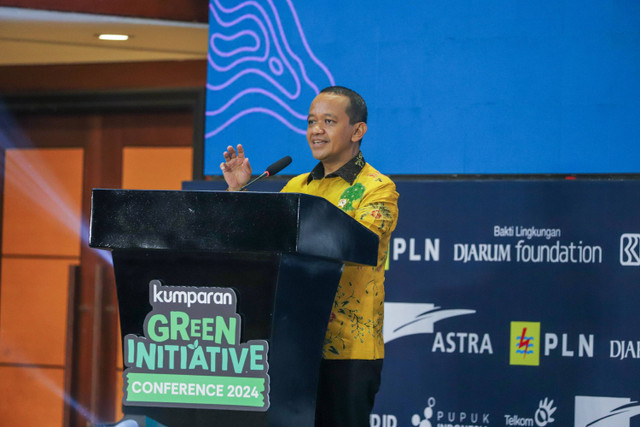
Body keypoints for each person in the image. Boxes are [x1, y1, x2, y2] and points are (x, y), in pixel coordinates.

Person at [220, 86, 399, 427]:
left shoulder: (379, 188)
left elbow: (361, 247)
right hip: (292, 346)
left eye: (329, 121)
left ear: (357, 131)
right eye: (311, 122)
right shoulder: (296, 187)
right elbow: (258, 244)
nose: (316, 130)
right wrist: (237, 193)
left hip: (347, 351)